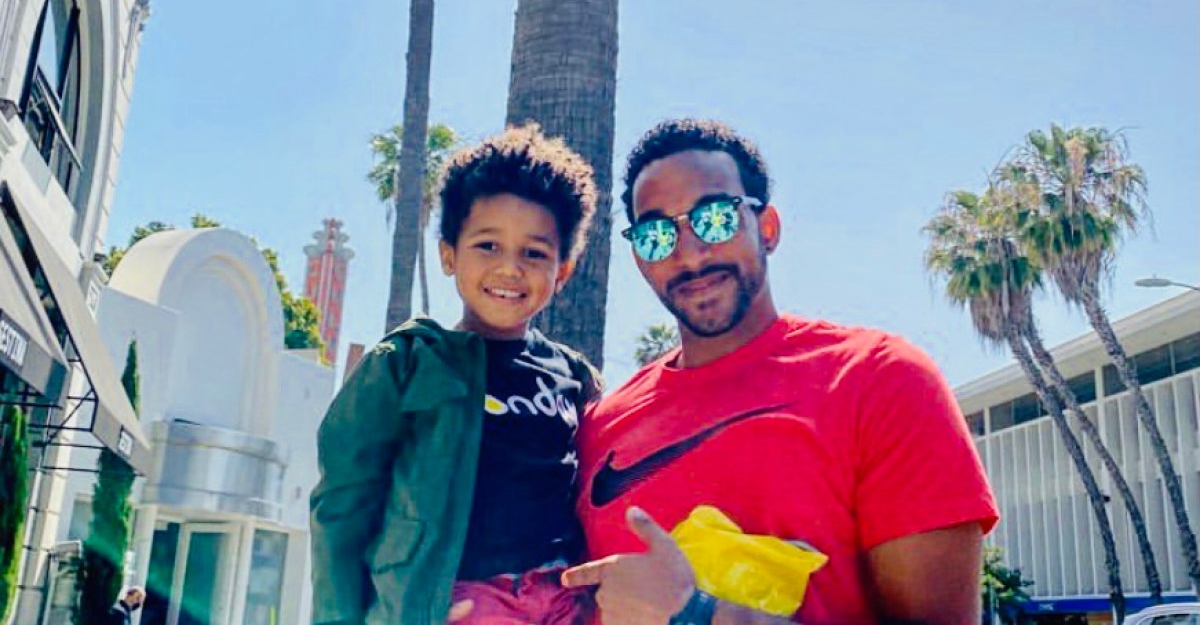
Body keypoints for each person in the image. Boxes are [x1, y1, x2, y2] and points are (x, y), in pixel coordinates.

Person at [563, 119, 998, 625]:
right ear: (640, 257)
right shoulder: (598, 426)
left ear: (766, 228)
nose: (690, 252)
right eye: (658, 234)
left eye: (715, 219)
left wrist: (698, 614)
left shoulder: (879, 379)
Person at [311, 124, 603, 625]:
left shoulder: (576, 377)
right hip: (459, 604)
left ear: (563, 271)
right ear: (449, 254)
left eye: (534, 253)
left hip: (562, 601)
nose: (510, 269)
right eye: (488, 245)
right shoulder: (405, 363)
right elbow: (342, 510)